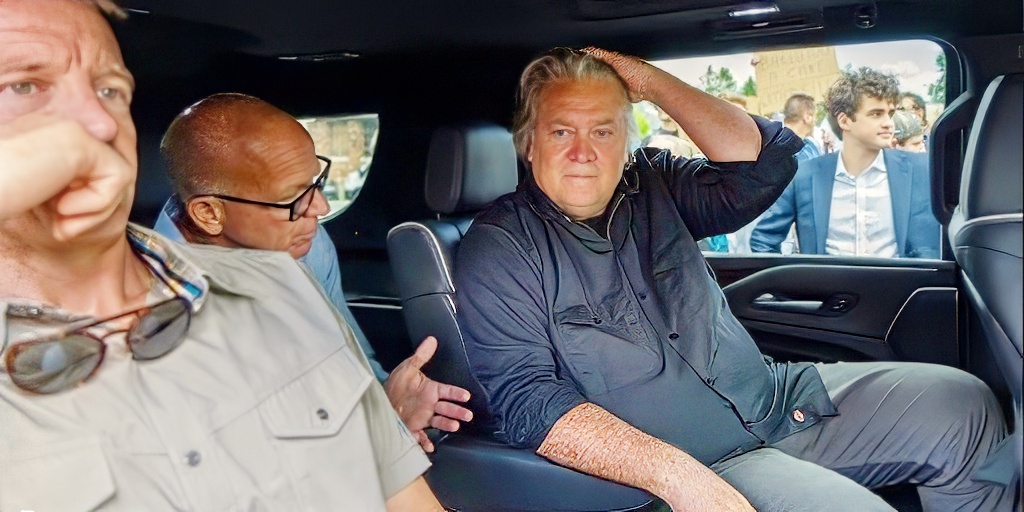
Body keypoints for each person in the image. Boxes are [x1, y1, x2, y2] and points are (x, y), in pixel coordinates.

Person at [453, 47, 1012, 512]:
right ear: (528, 144)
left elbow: (766, 163)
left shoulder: (652, 181)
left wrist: (652, 82)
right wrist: (677, 476)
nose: (582, 152)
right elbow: (530, 403)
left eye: (603, 130)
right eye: (560, 132)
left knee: (962, 405)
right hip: (689, 462)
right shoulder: (500, 246)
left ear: (624, 142)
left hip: (773, 403)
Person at [0, 1, 444, 509]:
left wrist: (387, 406)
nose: (100, 122)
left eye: (109, 89)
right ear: (209, 214)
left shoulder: (281, 280)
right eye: (24, 87)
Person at [154, 93, 472, 452]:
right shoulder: (146, 308)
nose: (319, 209)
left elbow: (349, 362)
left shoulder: (307, 242)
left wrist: (388, 402)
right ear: (210, 214)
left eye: (316, 182)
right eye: (294, 199)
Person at [750, 68, 941, 258]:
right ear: (845, 120)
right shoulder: (805, 176)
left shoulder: (922, 169)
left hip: (900, 287)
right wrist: (795, 285)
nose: (888, 123)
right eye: (876, 114)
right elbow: (764, 241)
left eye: (889, 114)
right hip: (826, 287)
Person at [783, 93, 823, 163]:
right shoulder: (810, 149)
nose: (815, 120)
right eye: (814, 116)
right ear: (807, 117)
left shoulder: (774, 145)